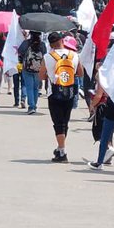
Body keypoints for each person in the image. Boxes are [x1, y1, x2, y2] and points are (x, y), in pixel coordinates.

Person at [42, 32, 81, 163]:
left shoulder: (48, 56)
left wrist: (50, 73)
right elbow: (80, 73)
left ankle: (62, 151)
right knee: (65, 122)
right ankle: (60, 148)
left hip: (54, 93)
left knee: (58, 123)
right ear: (62, 41)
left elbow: (41, 76)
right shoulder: (74, 55)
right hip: (69, 92)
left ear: (50, 44)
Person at [18, 31, 45, 115]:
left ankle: (31, 106)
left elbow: (20, 51)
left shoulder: (26, 43)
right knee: (36, 88)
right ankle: (34, 105)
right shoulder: (42, 44)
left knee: (29, 87)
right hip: (38, 68)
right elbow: (45, 54)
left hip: (27, 68)